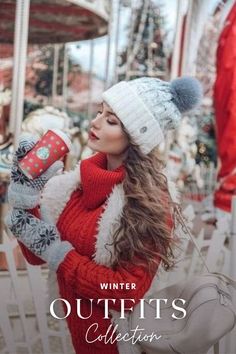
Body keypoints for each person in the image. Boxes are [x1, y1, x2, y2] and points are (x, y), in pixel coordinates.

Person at [5, 76, 202, 354]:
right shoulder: (73, 186)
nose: (95, 122)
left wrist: (60, 255)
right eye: (100, 112)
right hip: (75, 335)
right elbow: (36, 255)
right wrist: (28, 201)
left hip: (118, 344)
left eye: (111, 120)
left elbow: (127, 292)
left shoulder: (149, 204)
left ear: (136, 136)